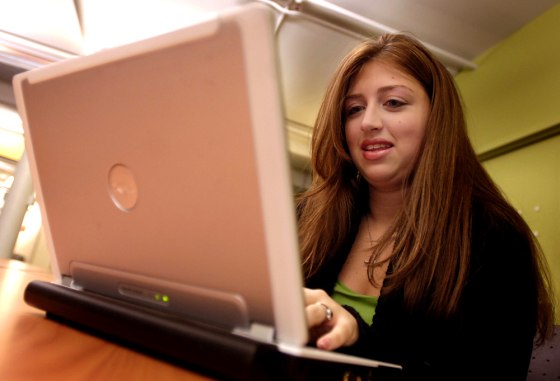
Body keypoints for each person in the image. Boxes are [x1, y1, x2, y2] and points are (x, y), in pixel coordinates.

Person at [297, 33, 556, 380]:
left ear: (437, 118)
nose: (368, 122)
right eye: (353, 109)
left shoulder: (495, 240)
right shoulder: (308, 217)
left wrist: (357, 339)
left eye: (394, 103)